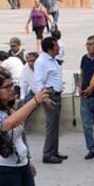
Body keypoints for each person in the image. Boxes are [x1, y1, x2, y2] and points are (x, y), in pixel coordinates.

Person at [33, 36, 67, 164]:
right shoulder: (41, 62)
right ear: (50, 48)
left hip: (56, 94)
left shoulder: (52, 59)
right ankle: (47, 154)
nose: (58, 47)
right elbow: (38, 82)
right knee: (51, 125)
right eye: (56, 46)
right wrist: (45, 98)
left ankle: (54, 151)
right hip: (50, 96)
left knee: (55, 125)